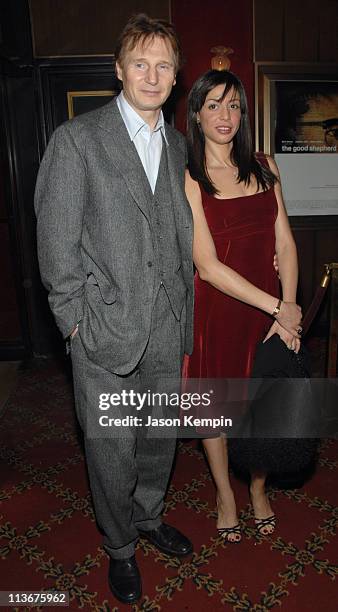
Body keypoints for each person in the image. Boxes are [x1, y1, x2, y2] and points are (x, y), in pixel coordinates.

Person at [34, 14, 194, 605]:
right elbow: (54, 244)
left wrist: (185, 327)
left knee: (159, 438)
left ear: (176, 77)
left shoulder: (178, 146)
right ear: (119, 69)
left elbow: (178, 240)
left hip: (167, 326)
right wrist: (75, 321)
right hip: (105, 329)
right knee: (110, 445)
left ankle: (149, 517)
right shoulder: (77, 140)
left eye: (164, 66)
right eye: (141, 63)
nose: (152, 75)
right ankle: (120, 545)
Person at [183, 70, 302, 543]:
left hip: (271, 310)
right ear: (196, 113)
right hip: (219, 311)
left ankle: (256, 488)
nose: (225, 115)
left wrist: (289, 308)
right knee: (218, 407)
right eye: (213, 105)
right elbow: (207, 267)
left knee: (264, 407)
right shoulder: (190, 178)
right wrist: (278, 305)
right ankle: (224, 494)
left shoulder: (265, 165)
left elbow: (286, 244)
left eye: (233, 105)